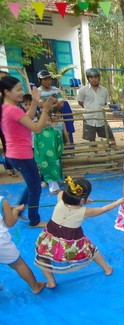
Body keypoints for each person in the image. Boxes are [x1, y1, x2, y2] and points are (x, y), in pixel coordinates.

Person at [34, 177, 124, 288]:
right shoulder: (84, 211)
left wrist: (83, 200)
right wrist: (117, 202)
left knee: (42, 255)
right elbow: (103, 210)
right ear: (82, 200)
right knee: (91, 251)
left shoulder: (60, 199)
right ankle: (107, 268)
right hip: (70, 242)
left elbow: (62, 192)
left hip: (50, 238)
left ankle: (51, 282)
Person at [0, 75, 57, 228]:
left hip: (15, 155)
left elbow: (26, 118)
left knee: (33, 182)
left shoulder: (7, 108)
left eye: (21, 89)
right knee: (36, 188)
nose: (20, 92)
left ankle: (19, 208)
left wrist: (34, 102)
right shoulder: (12, 110)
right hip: (22, 156)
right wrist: (45, 110)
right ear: (6, 91)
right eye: (17, 90)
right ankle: (34, 220)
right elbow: (37, 128)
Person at [0, 197, 46, 294]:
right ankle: (35, 287)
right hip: (1, 244)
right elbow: (10, 222)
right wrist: (16, 211)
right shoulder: (2, 200)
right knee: (18, 264)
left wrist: (7, 208)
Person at [77, 68, 115, 143]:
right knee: (91, 139)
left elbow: (105, 103)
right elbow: (80, 102)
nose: (94, 79)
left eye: (95, 77)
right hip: (89, 118)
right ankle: (95, 153)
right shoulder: (83, 90)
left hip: (101, 117)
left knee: (110, 136)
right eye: (91, 77)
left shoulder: (104, 90)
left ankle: (114, 150)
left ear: (99, 78)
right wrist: (88, 108)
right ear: (88, 79)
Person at [34, 115, 63, 194]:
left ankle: (55, 185)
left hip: (54, 156)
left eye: (49, 120)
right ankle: (53, 189)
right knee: (47, 171)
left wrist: (58, 154)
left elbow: (60, 143)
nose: (47, 122)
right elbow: (36, 146)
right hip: (43, 157)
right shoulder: (38, 133)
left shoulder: (55, 132)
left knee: (55, 170)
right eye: (44, 120)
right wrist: (38, 158)